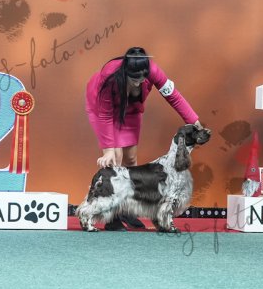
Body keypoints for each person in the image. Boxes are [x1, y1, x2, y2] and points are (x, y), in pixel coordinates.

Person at [85, 46, 202, 230]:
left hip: (131, 108)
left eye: (142, 79)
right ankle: (112, 216)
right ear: (125, 72)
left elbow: (174, 97)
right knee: (116, 158)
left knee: (131, 158)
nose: (139, 83)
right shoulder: (109, 76)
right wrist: (108, 151)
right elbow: (105, 116)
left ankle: (127, 209)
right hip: (103, 108)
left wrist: (194, 121)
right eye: (134, 80)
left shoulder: (153, 71)